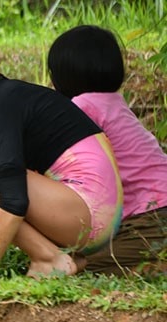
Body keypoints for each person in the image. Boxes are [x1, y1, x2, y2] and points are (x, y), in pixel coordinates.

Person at [0, 21, 123, 278]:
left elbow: (14, 200)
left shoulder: (0, 107)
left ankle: (48, 258)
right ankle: (50, 255)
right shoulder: (9, 96)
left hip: (87, 213)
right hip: (95, 219)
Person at [47, 25, 167, 275]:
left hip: (152, 214)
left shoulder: (82, 106)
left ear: (65, 74)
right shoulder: (113, 102)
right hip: (156, 206)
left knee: (85, 267)